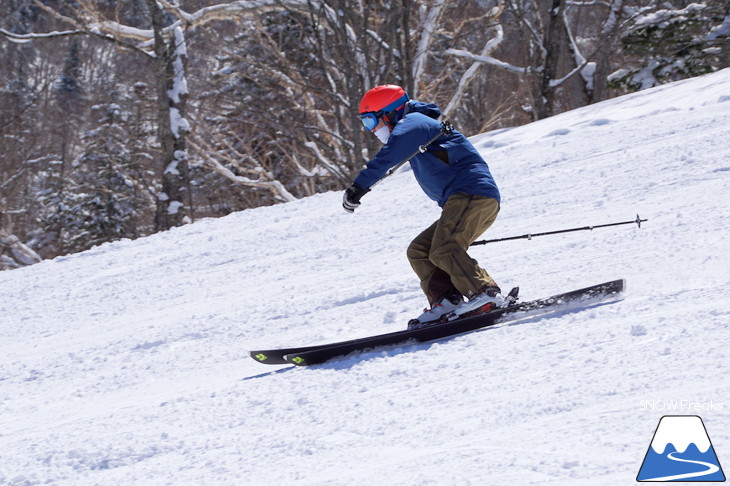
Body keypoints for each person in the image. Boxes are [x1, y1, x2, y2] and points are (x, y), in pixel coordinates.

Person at [342, 84, 504, 324]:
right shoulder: (415, 129)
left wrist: (359, 187)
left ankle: (485, 293)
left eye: (369, 121)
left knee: (444, 248)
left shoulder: (415, 122)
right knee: (420, 251)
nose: (371, 129)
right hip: (460, 201)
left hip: (472, 195)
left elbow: (389, 155)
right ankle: (447, 300)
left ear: (389, 113)